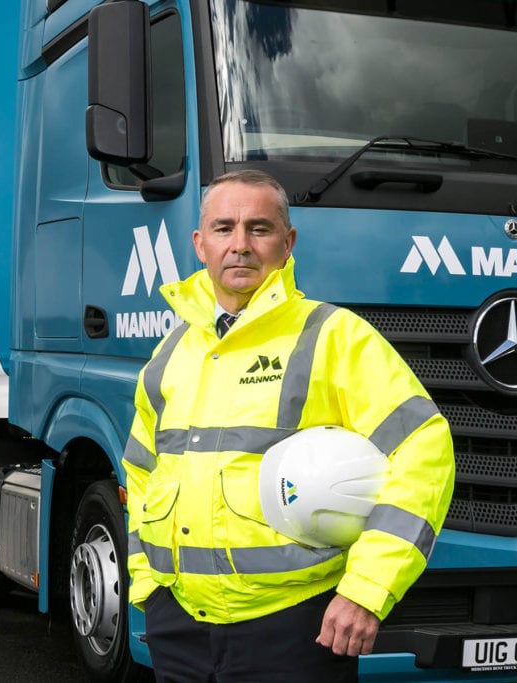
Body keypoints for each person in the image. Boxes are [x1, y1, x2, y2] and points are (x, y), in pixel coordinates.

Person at [122, 169, 455, 682]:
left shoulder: (334, 337)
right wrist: (147, 583)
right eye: (223, 228)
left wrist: (366, 590)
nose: (240, 244)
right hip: (181, 628)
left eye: (259, 228)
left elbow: (423, 451)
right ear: (200, 244)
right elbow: (142, 470)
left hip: (295, 627)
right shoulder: (172, 351)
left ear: (288, 241)